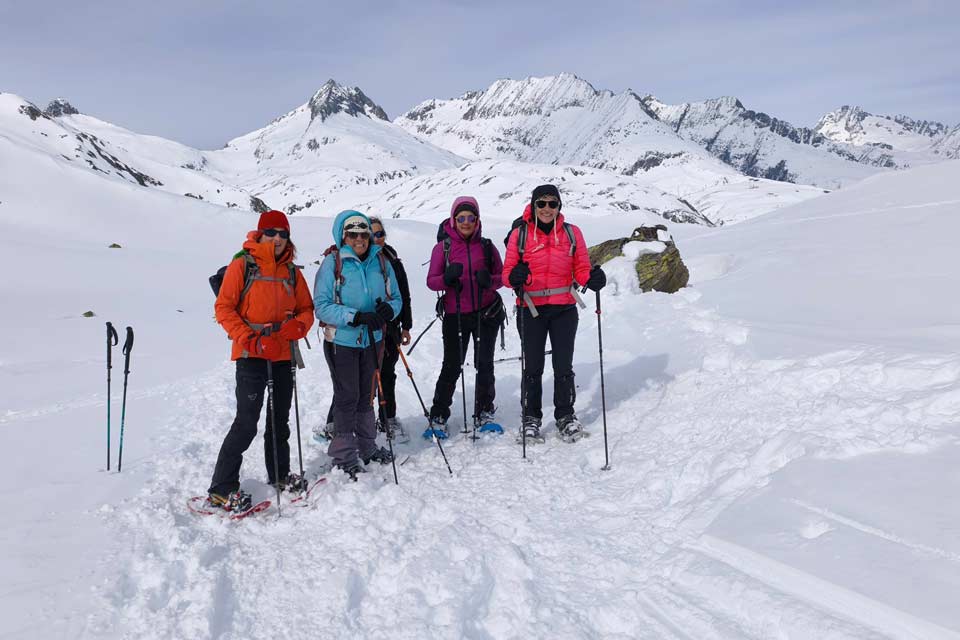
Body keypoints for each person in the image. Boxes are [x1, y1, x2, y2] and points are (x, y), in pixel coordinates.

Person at [207, 210, 314, 511]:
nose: (278, 238)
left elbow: (307, 308)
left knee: (279, 420)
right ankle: (221, 487)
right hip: (251, 353)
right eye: (272, 232)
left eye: (283, 234)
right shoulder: (243, 264)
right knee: (246, 422)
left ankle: (279, 475)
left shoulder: (292, 271)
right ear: (260, 233)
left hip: (282, 354)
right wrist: (251, 339)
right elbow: (224, 308)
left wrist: (300, 326)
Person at [501, 185, 606, 443]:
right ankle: (531, 418)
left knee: (563, 366)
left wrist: (591, 278)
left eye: (552, 204)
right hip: (531, 308)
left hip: (564, 309)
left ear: (559, 207)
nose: (547, 209)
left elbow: (581, 267)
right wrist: (515, 277)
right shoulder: (520, 234)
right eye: (542, 204)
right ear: (534, 205)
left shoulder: (572, 233)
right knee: (533, 367)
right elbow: (506, 274)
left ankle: (565, 416)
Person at [314, 210, 402, 479]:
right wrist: (354, 317)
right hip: (342, 341)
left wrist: (389, 311)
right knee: (347, 396)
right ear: (343, 235)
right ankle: (343, 454)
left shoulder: (381, 261)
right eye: (353, 234)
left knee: (367, 395)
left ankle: (366, 446)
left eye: (364, 233)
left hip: (373, 339)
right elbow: (322, 306)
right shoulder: (333, 263)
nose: (360, 239)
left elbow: (396, 297)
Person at [424, 196, 505, 438]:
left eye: (471, 217)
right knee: (451, 365)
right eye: (461, 218)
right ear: (453, 220)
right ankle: (439, 414)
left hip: (486, 313)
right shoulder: (443, 248)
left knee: (485, 364)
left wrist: (489, 282)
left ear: (477, 219)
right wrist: (447, 279)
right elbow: (431, 281)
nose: (466, 222)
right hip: (455, 314)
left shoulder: (488, 246)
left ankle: (484, 411)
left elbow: (503, 277)